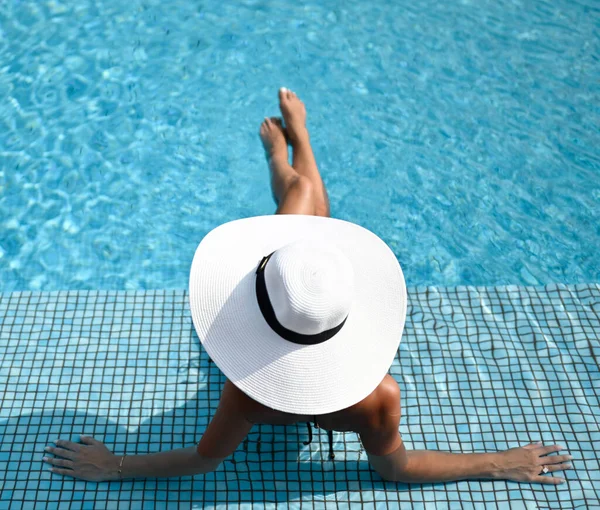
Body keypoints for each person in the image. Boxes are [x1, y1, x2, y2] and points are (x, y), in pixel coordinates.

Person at [42, 88, 573, 485]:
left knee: (299, 192)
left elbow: (205, 458)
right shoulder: (379, 397)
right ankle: (302, 141)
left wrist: (117, 465)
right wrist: (496, 463)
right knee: (308, 200)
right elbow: (396, 468)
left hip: (277, 323)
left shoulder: (245, 391)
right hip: (308, 314)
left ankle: (289, 151)